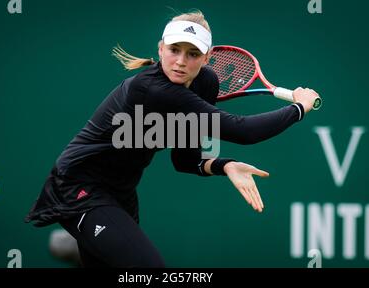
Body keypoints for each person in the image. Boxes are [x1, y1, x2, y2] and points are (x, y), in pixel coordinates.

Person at [25, 10, 319, 268]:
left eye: (192, 54)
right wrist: (299, 108)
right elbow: (243, 130)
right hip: (79, 188)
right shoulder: (150, 88)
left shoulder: (205, 83)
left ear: (207, 57)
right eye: (174, 50)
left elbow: (185, 159)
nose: (180, 61)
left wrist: (226, 165)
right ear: (161, 48)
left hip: (121, 193)